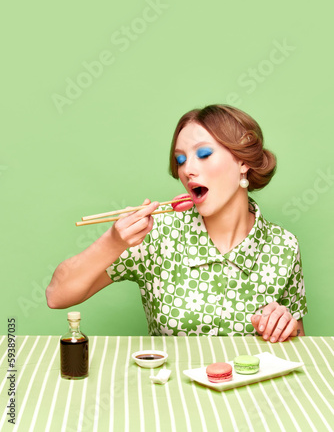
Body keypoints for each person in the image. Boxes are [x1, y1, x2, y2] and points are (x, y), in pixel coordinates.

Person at [46, 104, 307, 342]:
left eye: (203, 154)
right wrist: (113, 241)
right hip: (170, 391)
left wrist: (286, 325)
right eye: (181, 159)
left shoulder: (283, 246)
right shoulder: (157, 234)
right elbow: (57, 296)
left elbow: (299, 342)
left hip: (252, 392)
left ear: (243, 162)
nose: (187, 170)